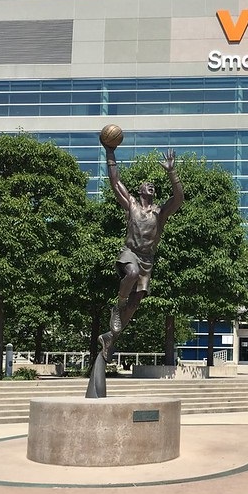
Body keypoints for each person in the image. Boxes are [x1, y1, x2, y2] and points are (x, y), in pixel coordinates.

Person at [98, 142, 184, 360]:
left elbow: (179, 199)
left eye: (154, 185)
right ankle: (118, 305)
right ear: (140, 190)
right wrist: (110, 152)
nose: (151, 186)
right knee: (132, 273)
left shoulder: (159, 212)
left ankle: (111, 337)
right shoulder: (132, 205)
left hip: (147, 259)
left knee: (135, 304)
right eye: (147, 185)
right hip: (130, 253)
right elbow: (115, 182)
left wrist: (172, 173)